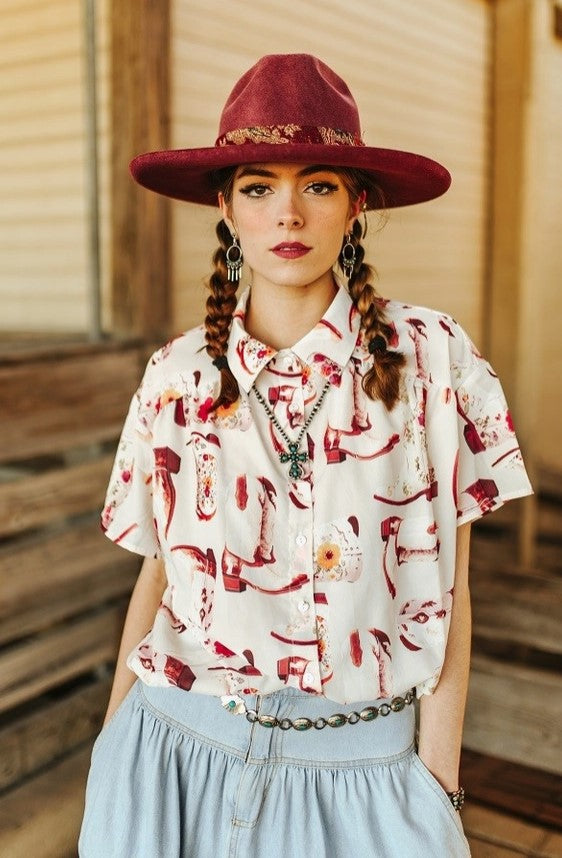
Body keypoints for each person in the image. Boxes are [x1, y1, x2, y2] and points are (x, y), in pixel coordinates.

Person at [78, 54, 533, 858]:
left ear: (356, 203)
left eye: (317, 185)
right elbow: (156, 574)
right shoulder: (177, 377)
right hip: (171, 755)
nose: (287, 213)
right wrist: (111, 756)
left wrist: (438, 782)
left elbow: (453, 584)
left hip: (366, 774)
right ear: (226, 206)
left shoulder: (432, 360)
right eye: (258, 187)